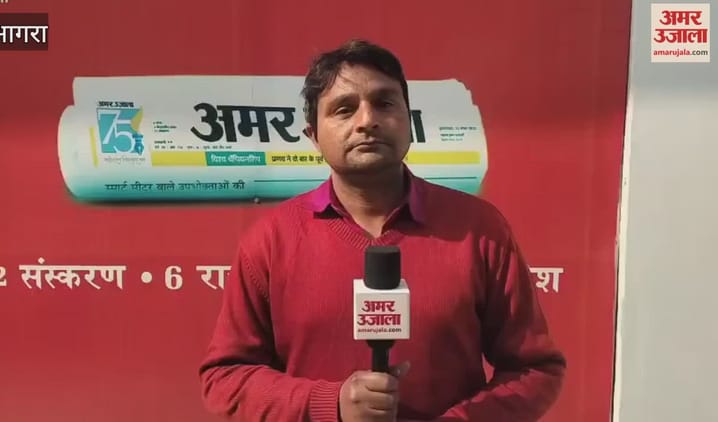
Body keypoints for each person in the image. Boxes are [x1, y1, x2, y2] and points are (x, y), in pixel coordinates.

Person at [199, 39, 566, 422]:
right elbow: (225, 378)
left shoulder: (479, 229)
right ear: (313, 136)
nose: (366, 121)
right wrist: (331, 403)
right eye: (344, 109)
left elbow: (536, 370)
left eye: (384, 103)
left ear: (410, 122)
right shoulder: (271, 240)